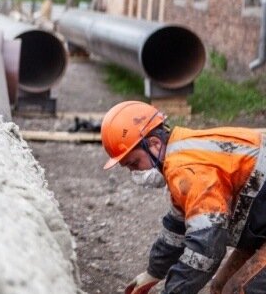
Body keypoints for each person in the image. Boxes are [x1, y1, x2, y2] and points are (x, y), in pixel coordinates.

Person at [100, 100, 266, 294]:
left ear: (154, 144)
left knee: (240, 290)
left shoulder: (186, 170)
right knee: (220, 288)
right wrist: (154, 272)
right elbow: (177, 228)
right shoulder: (181, 153)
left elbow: (206, 247)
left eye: (135, 164)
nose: (135, 173)